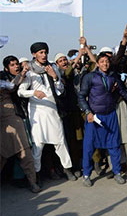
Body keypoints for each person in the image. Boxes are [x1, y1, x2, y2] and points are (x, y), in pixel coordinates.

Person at [78, 54, 127, 187]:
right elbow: (81, 96)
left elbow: (123, 92)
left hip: (111, 115)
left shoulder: (113, 76)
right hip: (94, 117)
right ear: (97, 63)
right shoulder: (89, 77)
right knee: (89, 147)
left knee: (114, 145)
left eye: (107, 61)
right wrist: (88, 112)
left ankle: (117, 172)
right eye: (102, 62)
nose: (105, 64)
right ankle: (86, 175)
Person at [17, 42, 76, 182]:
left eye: (45, 52)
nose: (44, 55)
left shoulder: (52, 67)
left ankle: (67, 169)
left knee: (60, 142)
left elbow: (60, 90)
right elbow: (20, 91)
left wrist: (55, 77)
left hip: (53, 109)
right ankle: (35, 176)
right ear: (34, 54)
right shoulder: (30, 71)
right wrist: (34, 92)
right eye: (40, 52)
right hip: (37, 112)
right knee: (38, 145)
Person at [0, 56, 41, 193]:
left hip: (13, 117)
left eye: (16, 64)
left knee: (24, 149)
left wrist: (22, 74)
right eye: (12, 65)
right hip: (4, 120)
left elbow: (11, 87)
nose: (16, 67)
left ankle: (32, 181)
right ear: (6, 68)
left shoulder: (9, 78)